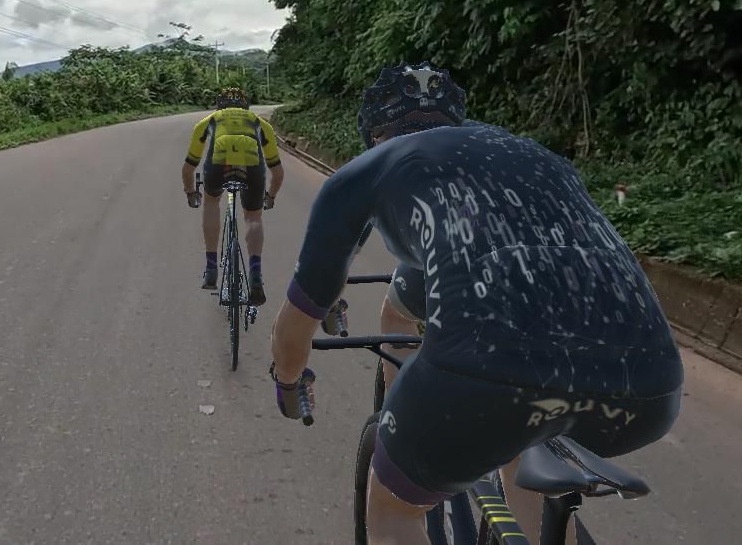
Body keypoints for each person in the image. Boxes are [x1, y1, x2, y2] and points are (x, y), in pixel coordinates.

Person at [268, 62, 683, 545]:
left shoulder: (369, 169)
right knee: (518, 440)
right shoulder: (529, 154)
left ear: (374, 136)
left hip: (484, 382)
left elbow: (296, 327)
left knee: (393, 505)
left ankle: (420, 450)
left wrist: (288, 384)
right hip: (652, 385)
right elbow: (468, 264)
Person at [182, 86, 285, 305]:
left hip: (218, 165)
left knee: (211, 203)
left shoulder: (208, 121)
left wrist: (191, 193)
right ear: (246, 106)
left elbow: (188, 169)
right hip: (252, 167)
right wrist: (271, 197)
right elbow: (277, 172)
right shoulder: (260, 123)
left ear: (219, 106)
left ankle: (211, 268)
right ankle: (255, 273)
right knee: (253, 218)